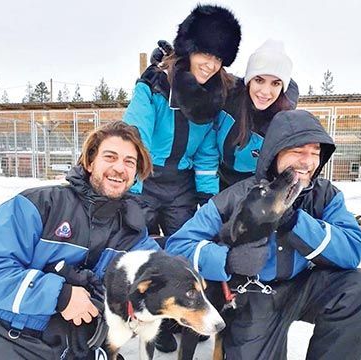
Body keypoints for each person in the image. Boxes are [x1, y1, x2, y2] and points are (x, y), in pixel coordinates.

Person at [166, 110, 361, 360]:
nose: (308, 161)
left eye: (315, 152)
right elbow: (177, 247)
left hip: (304, 286)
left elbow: (352, 250)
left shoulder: (325, 195)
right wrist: (227, 260)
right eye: (298, 151)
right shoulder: (236, 197)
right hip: (253, 296)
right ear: (274, 152)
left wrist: (293, 221)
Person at [123, 5, 241, 352]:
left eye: (219, 58)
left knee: (180, 253)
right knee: (138, 245)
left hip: (181, 185)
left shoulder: (216, 94)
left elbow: (206, 153)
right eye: (205, 53)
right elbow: (136, 132)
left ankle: (183, 315)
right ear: (188, 50)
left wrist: (206, 195)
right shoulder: (154, 85)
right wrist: (132, 186)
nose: (210, 64)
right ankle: (149, 318)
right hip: (146, 176)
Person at [0, 121, 159, 359]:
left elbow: (161, 268)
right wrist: (59, 295)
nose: (120, 168)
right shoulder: (37, 206)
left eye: (129, 162)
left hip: (81, 343)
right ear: (90, 163)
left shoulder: (132, 231)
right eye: (110, 157)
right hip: (16, 337)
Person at [218, 38, 300, 190]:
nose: (265, 92)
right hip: (216, 181)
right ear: (249, 80)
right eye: (259, 80)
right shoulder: (228, 97)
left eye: (275, 83)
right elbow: (202, 76)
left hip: (253, 190)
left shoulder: (283, 123)